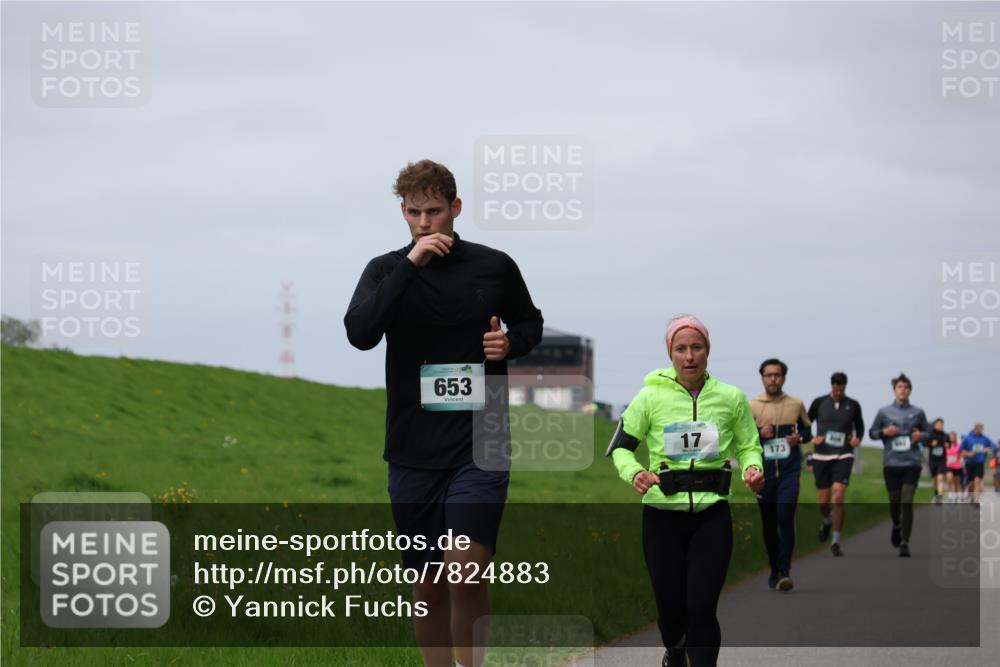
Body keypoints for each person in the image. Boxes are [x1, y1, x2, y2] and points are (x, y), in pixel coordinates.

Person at [344, 160, 543, 667]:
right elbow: (361, 333)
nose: (425, 222)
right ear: (403, 213)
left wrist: (509, 343)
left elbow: (530, 322)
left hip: (481, 444)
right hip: (412, 450)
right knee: (428, 583)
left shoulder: (494, 265)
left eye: (435, 211)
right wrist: (411, 264)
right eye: (414, 213)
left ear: (455, 208)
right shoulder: (385, 270)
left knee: (465, 571)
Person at [606, 315, 764, 667]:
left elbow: (749, 446)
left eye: (697, 347)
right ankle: (674, 649)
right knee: (671, 606)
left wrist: (754, 468)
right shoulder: (649, 397)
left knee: (702, 606)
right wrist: (634, 473)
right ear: (670, 353)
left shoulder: (731, 398)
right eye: (681, 349)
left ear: (708, 351)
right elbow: (620, 447)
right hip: (662, 518)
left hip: (712, 517)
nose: (689, 356)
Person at [750, 358, 812, 589]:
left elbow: (808, 430)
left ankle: (785, 570)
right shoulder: (752, 405)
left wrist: (800, 438)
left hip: (789, 470)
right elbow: (744, 438)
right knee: (768, 523)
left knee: (785, 516)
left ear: (784, 378)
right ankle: (774, 568)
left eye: (777, 375)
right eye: (768, 375)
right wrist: (759, 433)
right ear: (763, 378)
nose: (773, 379)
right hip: (763, 473)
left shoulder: (796, 404)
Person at [869, 373, 928, 558]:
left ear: (910, 390)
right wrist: (885, 431)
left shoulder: (918, 412)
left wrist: (921, 436)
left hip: (912, 462)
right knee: (895, 501)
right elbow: (872, 433)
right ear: (894, 390)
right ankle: (896, 524)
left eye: (906, 387)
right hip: (891, 463)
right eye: (900, 387)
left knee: (907, 501)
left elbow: (928, 433)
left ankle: (904, 542)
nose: (903, 390)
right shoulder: (884, 412)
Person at [808, 371, 864, 556]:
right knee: (823, 502)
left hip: (844, 455)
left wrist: (858, 439)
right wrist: (812, 437)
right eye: (835, 387)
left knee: (838, 497)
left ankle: (836, 541)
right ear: (831, 386)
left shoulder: (853, 405)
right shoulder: (819, 403)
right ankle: (826, 520)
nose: (838, 391)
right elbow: (806, 422)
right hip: (822, 456)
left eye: (841, 387)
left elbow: (860, 427)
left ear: (845, 387)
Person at [960, 423, 998, 505]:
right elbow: (961, 450)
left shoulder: (985, 439)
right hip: (969, 463)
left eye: (981, 429)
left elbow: (995, 447)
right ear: (975, 429)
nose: (980, 430)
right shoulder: (968, 438)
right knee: (970, 483)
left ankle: (976, 501)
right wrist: (968, 453)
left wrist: (988, 448)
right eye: (979, 428)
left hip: (979, 463)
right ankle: (970, 497)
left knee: (977, 481)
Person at [925, 419, 950, 504]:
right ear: (935, 425)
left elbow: (949, 444)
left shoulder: (945, 435)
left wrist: (948, 445)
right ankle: (936, 493)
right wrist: (931, 444)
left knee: (941, 478)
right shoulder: (930, 434)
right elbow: (925, 443)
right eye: (939, 424)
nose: (940, 426)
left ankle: (940, 497)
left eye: (942, 425)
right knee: (935, 479)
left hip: (942, 460)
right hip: (933, 460)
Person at [945, 430, 965, 503]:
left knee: (956, 482)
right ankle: (950, 495)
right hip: (948, 465)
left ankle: (956, 495)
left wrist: (960, 458)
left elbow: (962, 453)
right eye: (950, 436)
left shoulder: (959, 446)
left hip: (957, 466)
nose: (952, 438)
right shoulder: (946, 445)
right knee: (949, 479)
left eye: (953, 436)